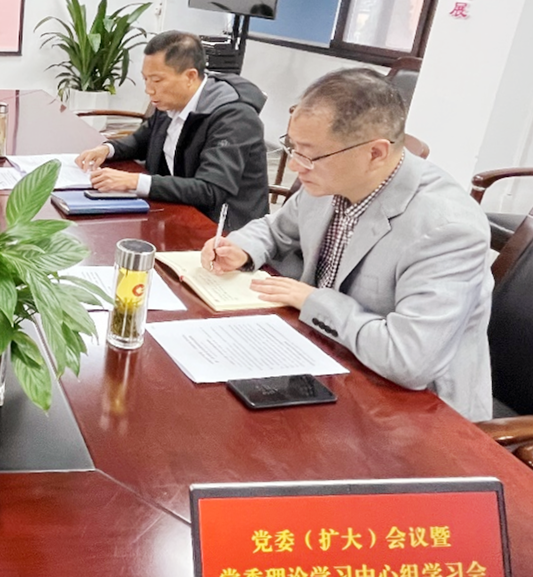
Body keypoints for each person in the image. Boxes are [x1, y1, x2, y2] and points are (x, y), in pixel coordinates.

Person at [203, 68, 493, 422]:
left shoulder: (448, 228)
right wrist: (242, 248)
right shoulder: (331, 182)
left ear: (375, 153)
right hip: (322, 359)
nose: (295, 166)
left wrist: (312, 300)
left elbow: (408, 360)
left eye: (310, 155)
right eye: (293, 147)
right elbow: (276, 229)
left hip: (413, 413)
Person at [74, 30, 269, 229]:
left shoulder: (234, 117)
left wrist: (135, 181)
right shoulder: (171, 101)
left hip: (223, 230)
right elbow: (142, 140)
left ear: (190, 77)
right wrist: (108, 149)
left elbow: (210, 190)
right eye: (146, 79)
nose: (149, 89)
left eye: (157, 80)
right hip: (178, 211)